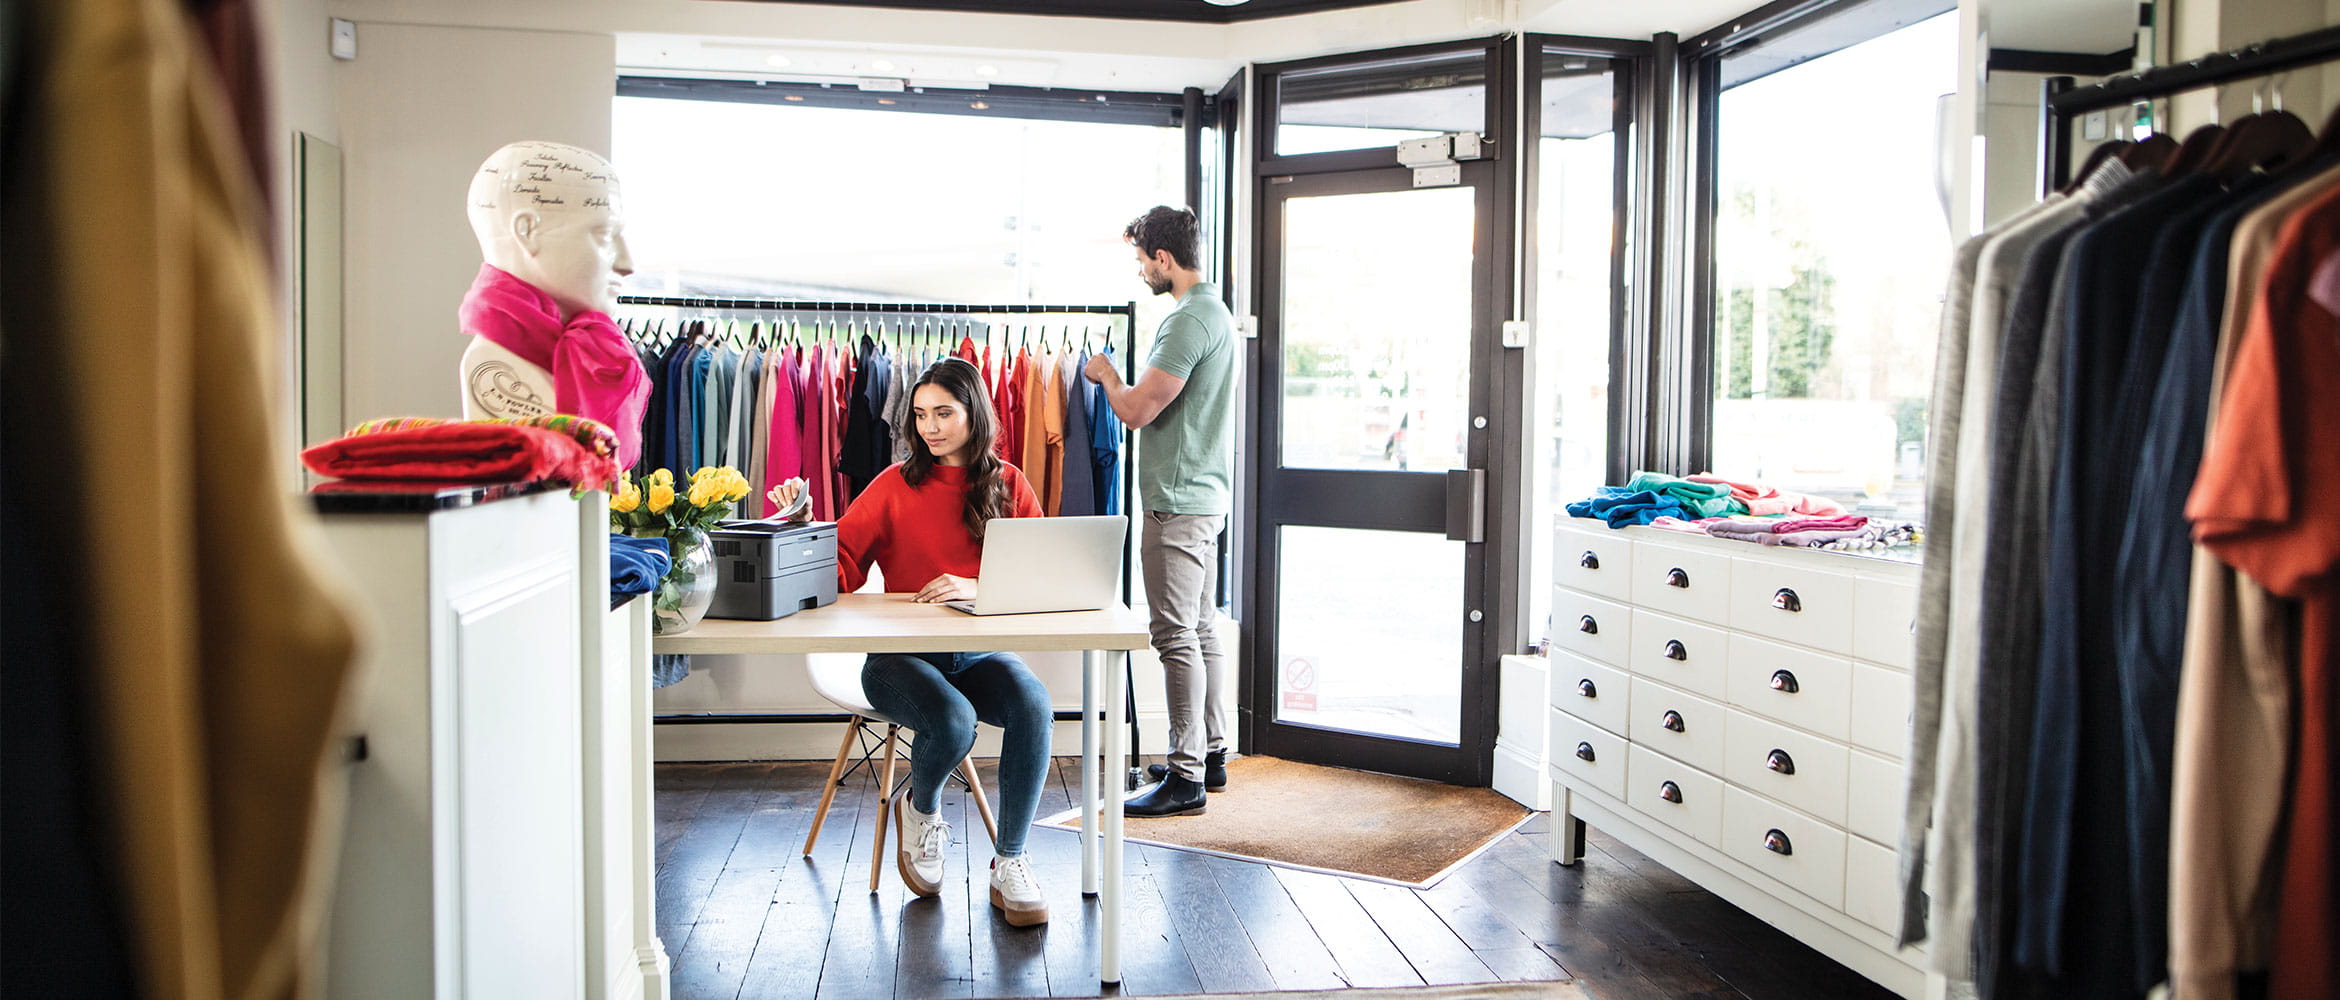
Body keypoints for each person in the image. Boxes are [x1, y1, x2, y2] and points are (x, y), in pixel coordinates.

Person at [770, 357, 1053, 926]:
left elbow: (1039, 577)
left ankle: (1011, 862)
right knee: (952, 720)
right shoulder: (893, 484)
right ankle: (921, 810)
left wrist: (975, 584)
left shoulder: (1009, 483)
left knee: (1034, 705)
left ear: (976, 413)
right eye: (920, 414)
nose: (930, 426)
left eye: (944, 412)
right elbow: (840, 566)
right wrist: (798, 526)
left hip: (980, 656)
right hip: (898, 662)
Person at [1085, 206, 1237, 817]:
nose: (1141, 271)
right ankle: (1211, 753)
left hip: (1176, 505)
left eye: (1143, 260)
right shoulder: (1217, 314)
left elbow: (1138, 409)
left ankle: (1185, 776)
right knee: (1201, 630)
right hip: (1205, 498)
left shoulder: (1186, 322)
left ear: (1164, 260)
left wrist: (1105, 376)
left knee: (1174, 635)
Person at [457, 140, 651, 467]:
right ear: (527, 232)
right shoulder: (492, 361)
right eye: (604, 236)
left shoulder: (592, 352)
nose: (626, 263)